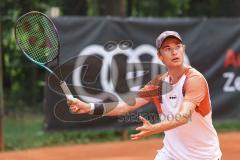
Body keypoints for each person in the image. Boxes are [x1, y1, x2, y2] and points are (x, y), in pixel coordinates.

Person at [67, 31, 222, 160]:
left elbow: (183, 116)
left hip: (203, 156)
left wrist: (155, 128)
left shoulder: (194, 80)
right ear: (160, 56)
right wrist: (88, 107)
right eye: (167, 48)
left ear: (183, 49)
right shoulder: (158, 84)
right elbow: (123, 107)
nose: (174, 52)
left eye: (178, 47)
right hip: (172, 154)